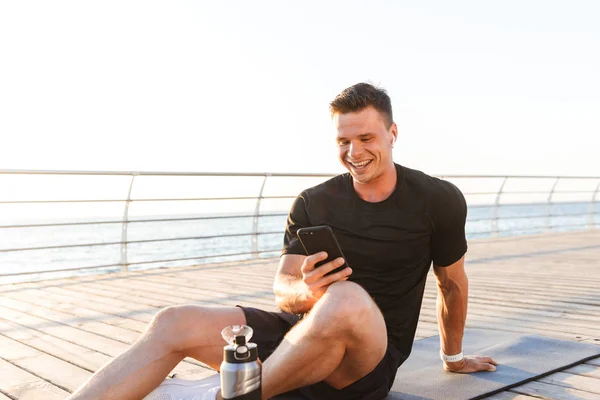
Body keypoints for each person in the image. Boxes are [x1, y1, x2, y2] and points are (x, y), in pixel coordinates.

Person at [69, 83, 497, 400]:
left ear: (392, 133)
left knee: (345, 299)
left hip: (364, 363)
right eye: (343, 140)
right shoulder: (314, 201)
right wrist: (304, 290)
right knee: (172, 321)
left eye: (366, 138)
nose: (354, 151)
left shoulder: (437, 199)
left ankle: (240, 396)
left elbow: (452, 285)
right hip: (298, 342)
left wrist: (453, 357)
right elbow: (283, 288)